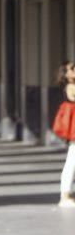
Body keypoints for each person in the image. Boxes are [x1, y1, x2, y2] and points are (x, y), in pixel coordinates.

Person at [52, 61, 75, 208]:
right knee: (72, 161)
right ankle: (65, 195)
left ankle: (65, 194)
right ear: (67, 74)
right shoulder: (71, 87)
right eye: (72, 69)